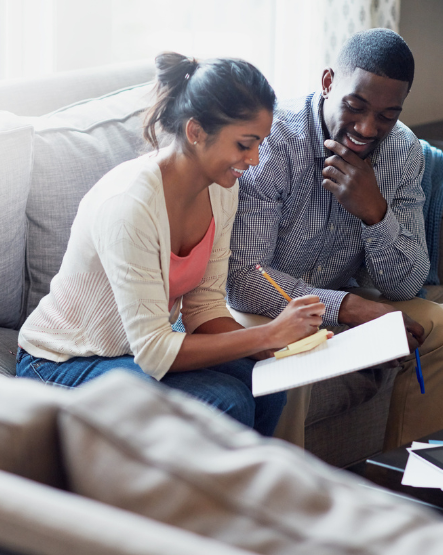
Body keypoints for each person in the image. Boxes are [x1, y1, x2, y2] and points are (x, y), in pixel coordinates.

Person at [16, 52, 328, 437]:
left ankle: (237, 496)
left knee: (266, 388)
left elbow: (204, 308)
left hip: (132, 349)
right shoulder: (130, 206)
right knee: (224, 401)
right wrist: (266, 334)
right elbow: (154, 350)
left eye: (259, 143)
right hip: (63, 358)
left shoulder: (221, 189)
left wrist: (265, 348)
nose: (254, 159)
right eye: (245, 144)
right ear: (195, 132)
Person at [227, 29, 443, 450]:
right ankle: (287, 495)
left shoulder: (402, 150)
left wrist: (375, 213)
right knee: (296, 348)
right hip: (265, 309)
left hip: (337, 299)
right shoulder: (275, 141)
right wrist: (351, 307)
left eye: (387, 116)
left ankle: (415, 485)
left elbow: (406, 286)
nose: (367, 128)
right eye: (355, 106)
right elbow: (246, 280)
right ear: (327, 82)